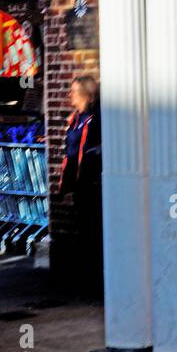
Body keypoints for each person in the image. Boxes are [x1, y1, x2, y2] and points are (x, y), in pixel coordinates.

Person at [58, 75, 102, 294]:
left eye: (74, 91)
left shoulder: (95, 121)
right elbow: (71, 154)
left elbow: (88, 152)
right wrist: (65, 188)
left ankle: (95, 279)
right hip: (79, 184)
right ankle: (86, 278)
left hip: (92, 184)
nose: (70, 95)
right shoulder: (75, 120)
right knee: (83, 231)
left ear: (86, 94)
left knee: (93, 232)